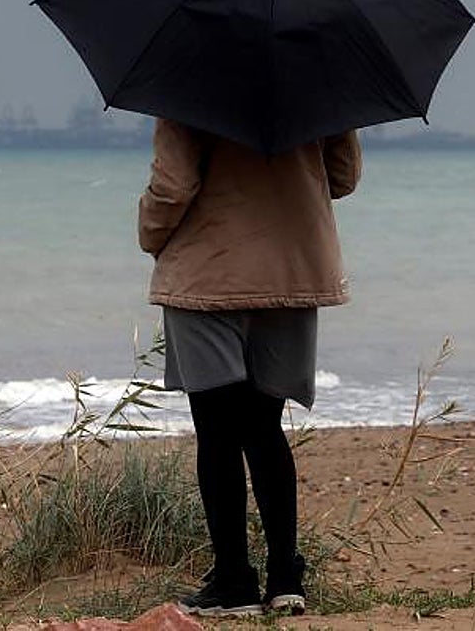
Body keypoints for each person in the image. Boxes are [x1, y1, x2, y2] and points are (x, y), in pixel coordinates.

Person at [137, 117, 362, 617]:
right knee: (264, 427)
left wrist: (149, 232)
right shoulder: (317, 75)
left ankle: (234, 582)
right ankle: (285, 578)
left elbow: (173, 186)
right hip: (292, 271)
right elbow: (342, 177)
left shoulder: (188, 77)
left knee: (217, 432)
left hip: (206, 274)